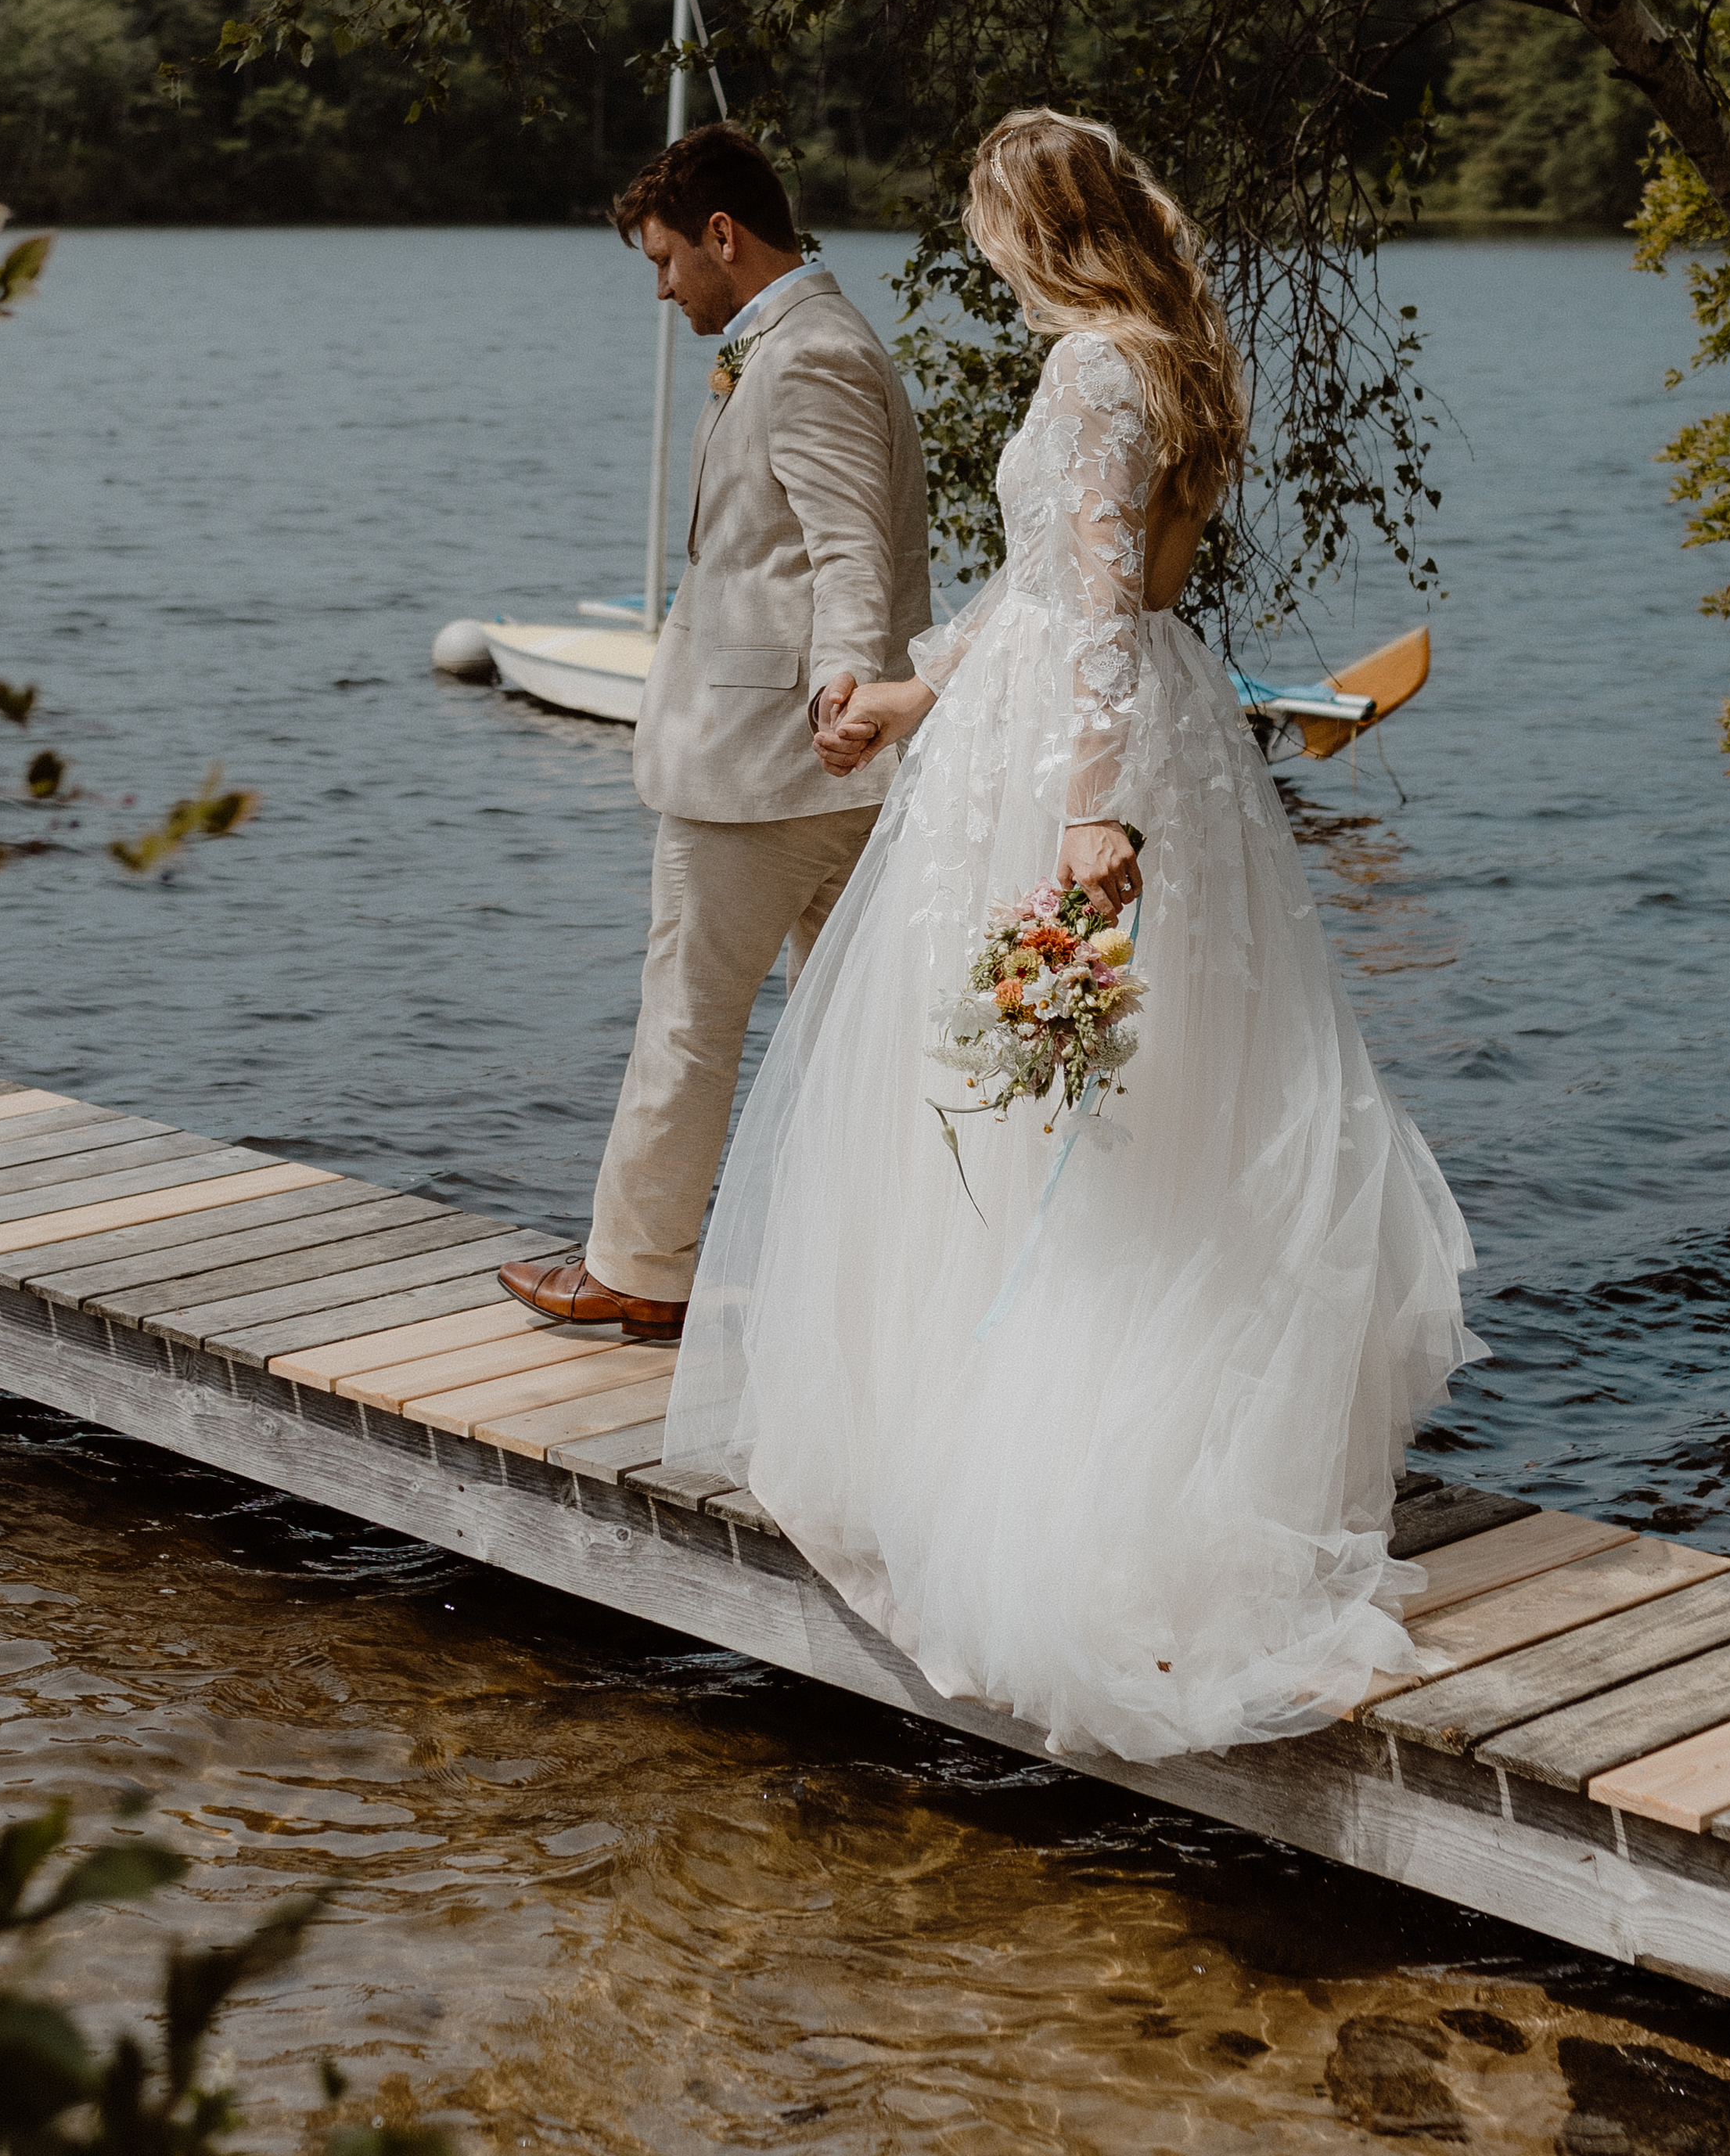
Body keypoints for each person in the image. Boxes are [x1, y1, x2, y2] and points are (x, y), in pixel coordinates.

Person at [661, 107, 1482, 1763]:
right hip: (1072, 715)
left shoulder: (1101, 367)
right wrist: (908, 684)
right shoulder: (1151, 350)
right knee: (1096, 1094)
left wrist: (1092, 814)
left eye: (983, 220)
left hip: (1076, 751)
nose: (975, 249)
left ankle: (1060, 1471)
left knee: (1059, 1112)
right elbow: (1042, 587)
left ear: (1033, 222)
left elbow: (1099, 607)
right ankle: (1003, 1421)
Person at [502, 122, 933, 1346]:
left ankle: (641, 1267)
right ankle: (878, 1278)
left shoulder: (809, 358)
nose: (660, 288)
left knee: (689, 1017)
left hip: (773, 765)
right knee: (858, 1039)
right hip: (825, 763)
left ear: (724, 237)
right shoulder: (806, 345)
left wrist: (844, 695)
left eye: (664, 259)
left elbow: (852, 550)